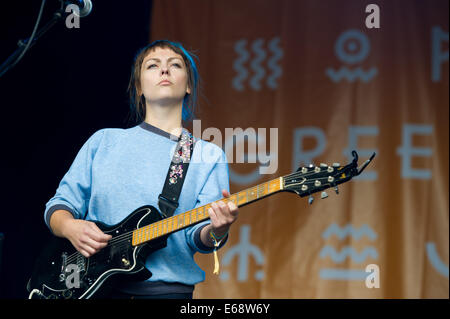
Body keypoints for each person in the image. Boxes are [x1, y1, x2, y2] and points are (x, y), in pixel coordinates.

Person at [44, 40, 238, 299]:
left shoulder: (207, 155)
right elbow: (59, 206)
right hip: (92, 290)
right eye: (153, 65)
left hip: (165, 292)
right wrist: (70, 227)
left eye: (175, 65)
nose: (165, 70)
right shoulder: (104, 141)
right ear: (139, 88)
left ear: (188, 85)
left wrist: (219, 229)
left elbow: (200, 239)